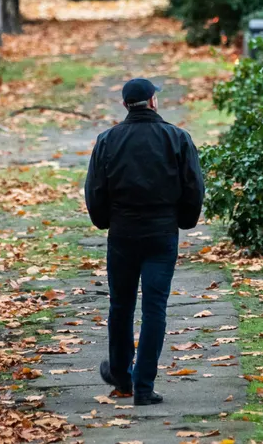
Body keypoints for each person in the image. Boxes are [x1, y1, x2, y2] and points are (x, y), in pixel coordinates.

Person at [84, 78, 204, 405]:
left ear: (125, 105)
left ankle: (122, 377)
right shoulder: (177, 138)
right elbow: (193, 188)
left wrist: (105, 221)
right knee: (154, 308)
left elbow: (95, 191)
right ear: (153, 102)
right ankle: (144, 385)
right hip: (162, 233)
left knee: (120, 305)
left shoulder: (107, 140)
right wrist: (184, 220)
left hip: (122, 233)